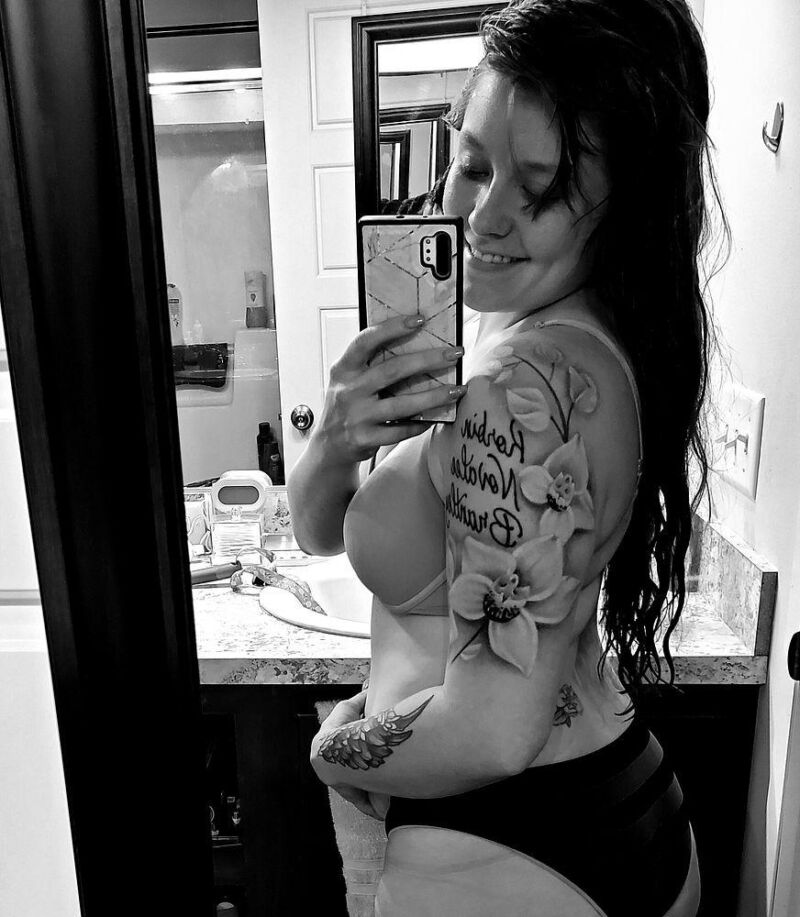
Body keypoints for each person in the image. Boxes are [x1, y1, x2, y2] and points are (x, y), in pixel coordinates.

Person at [289, 1, 725, 913]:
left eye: (543, 189)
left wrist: (335, 751)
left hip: (509, 845)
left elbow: (488, 732)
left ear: (620, 210)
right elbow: (322, 533)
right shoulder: (543, 330)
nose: (482, 216)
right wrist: (335, 433)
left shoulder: (524, 379)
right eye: (474, 164)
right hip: (591, 815)